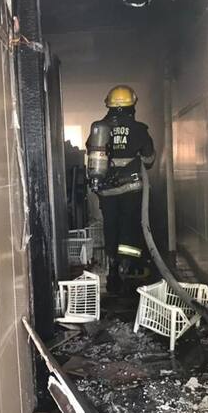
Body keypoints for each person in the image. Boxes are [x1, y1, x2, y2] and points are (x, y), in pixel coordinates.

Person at [86, 85, 155, 294]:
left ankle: (113, 266)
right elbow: (149, 160)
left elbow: (91, 150)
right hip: (131, 188)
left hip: (106, 190)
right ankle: (127, 268)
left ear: (109, 105)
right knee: (129, 226)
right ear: (132, 105)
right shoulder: (139, 130)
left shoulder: (99, 128)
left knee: (111, 226)